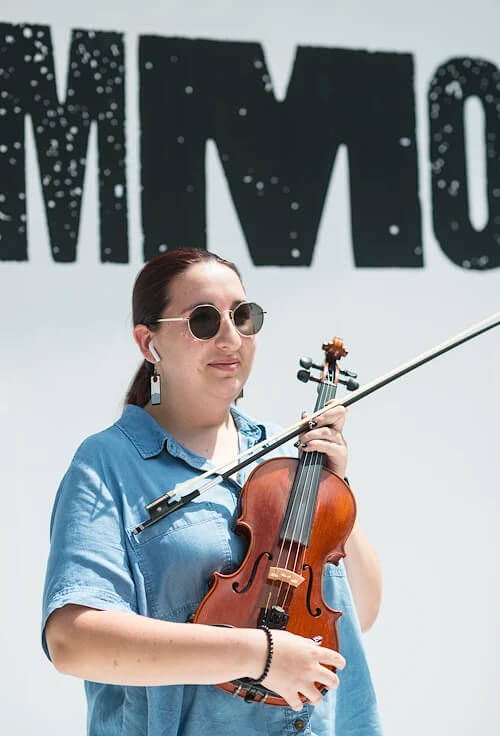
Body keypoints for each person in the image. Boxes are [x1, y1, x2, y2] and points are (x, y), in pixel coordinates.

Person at [42, 248, 383, 736]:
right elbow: (73, 641)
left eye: (243, 317)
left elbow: (357, 616)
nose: (231, 337)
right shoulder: (107, 463)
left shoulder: (284, 457)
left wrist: (335, 490)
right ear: (149, 342)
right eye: (203, 320)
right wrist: (256, 655)